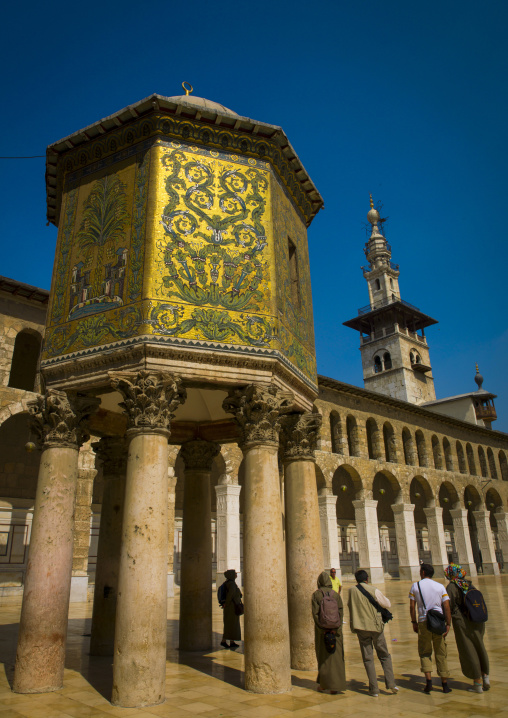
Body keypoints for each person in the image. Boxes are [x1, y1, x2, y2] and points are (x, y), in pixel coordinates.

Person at [347, 569, 398, 697]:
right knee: (384, 655)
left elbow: (350, 606)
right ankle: (391, 684)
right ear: (367, 579)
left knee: (368, 658)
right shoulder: (373, 590)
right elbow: (387, 604)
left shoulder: (351, 591)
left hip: (361, 627)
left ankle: (374, 689)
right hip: (375, 627)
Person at [445, 564, 490, 693]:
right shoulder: (469, 584)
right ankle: (485, 676)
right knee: (480, 646)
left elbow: (448, 605)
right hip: (478, 621)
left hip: (463, 623)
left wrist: (446, 622)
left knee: (468, 649)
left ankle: (477, 683)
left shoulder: (452, 586)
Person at [409, 563, 452, 694]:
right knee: (441, 652)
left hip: (423, 622)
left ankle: (429, 683)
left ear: (422, 573)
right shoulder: (440, 587)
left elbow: (412, 607)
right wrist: (448, 624)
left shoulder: (415, 586)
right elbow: (446, 607)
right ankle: (444, 684)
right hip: (438, 623)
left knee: (425, 651)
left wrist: (414, 622)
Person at [311, 571, 346, 694]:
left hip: (323, 632)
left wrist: (322, 630)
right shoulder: (335, 595)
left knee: (323, 658)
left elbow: (315, 615)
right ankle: (336, 685)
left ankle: (324, 685)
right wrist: (337, 629)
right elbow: (341, 613)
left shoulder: (316, 595)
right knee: (337, 658)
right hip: (336, 631)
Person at [220, 569, 242, 650]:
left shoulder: (228, 583)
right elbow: (230, 595)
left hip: (230, 607)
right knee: (230, 623)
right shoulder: (231, 584)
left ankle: (231, 642)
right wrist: (227, 603)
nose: (236, 574)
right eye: (235, 573)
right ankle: (223, 641)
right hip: (231, 607)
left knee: (231, 624)